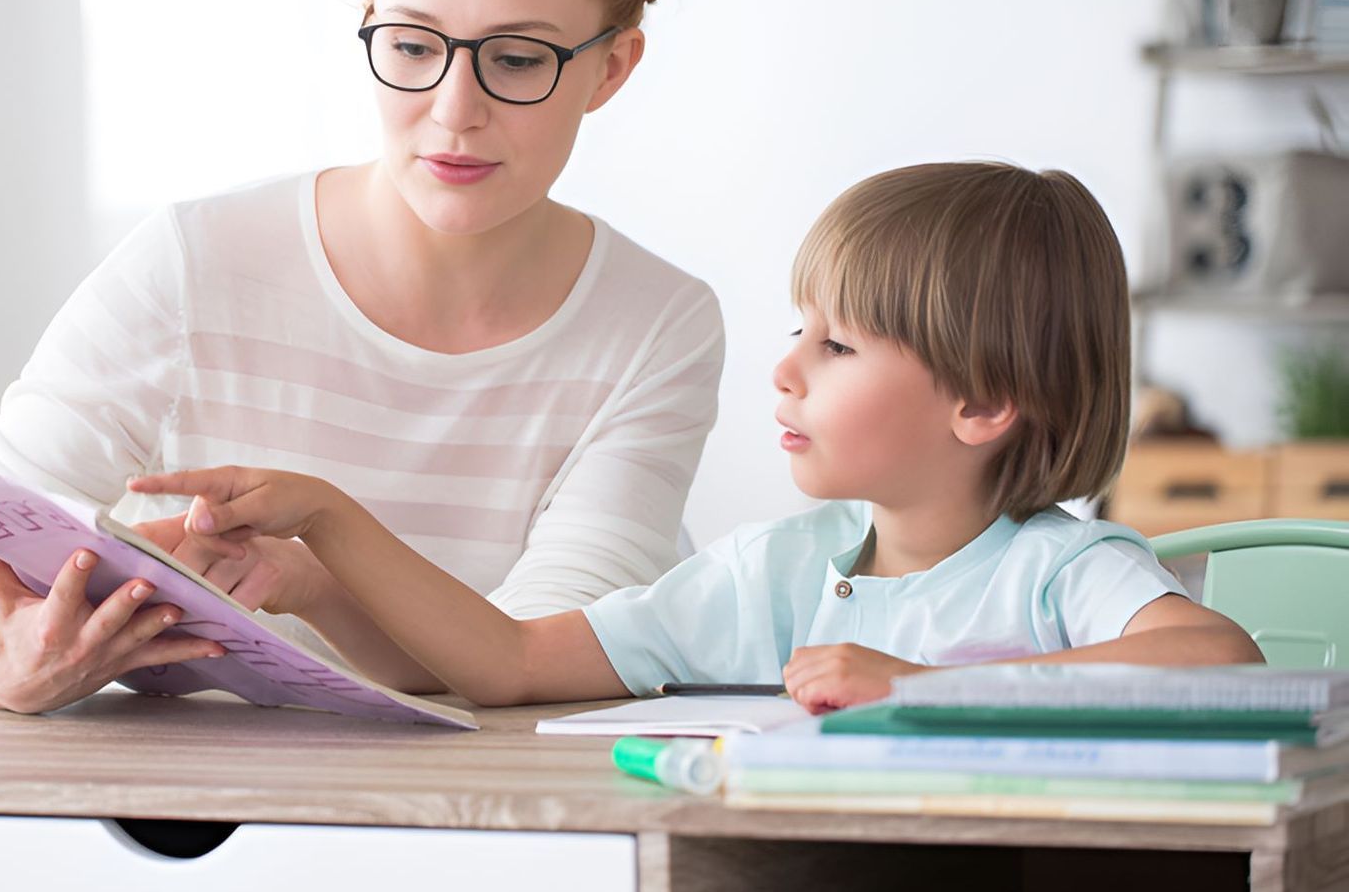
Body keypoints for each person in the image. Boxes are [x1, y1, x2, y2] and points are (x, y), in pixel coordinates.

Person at [0, 0, 726, 713]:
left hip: (478, 834)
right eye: (411, 45)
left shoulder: (655, 324)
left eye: (517, 58)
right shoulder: (198, 263)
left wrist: (320, 571)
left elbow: (544, 659)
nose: (454, 108)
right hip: (167, 818)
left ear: (611, 68)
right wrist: (3, 669)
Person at [133, 162, 1265, 714]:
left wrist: (914, 687)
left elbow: (1219, 661)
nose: (784, 368)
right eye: (796, 331)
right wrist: (324, 558)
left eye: (838, 348)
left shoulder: (1062, 571)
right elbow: (508, 664)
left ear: (980, 404)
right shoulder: (773, 575)